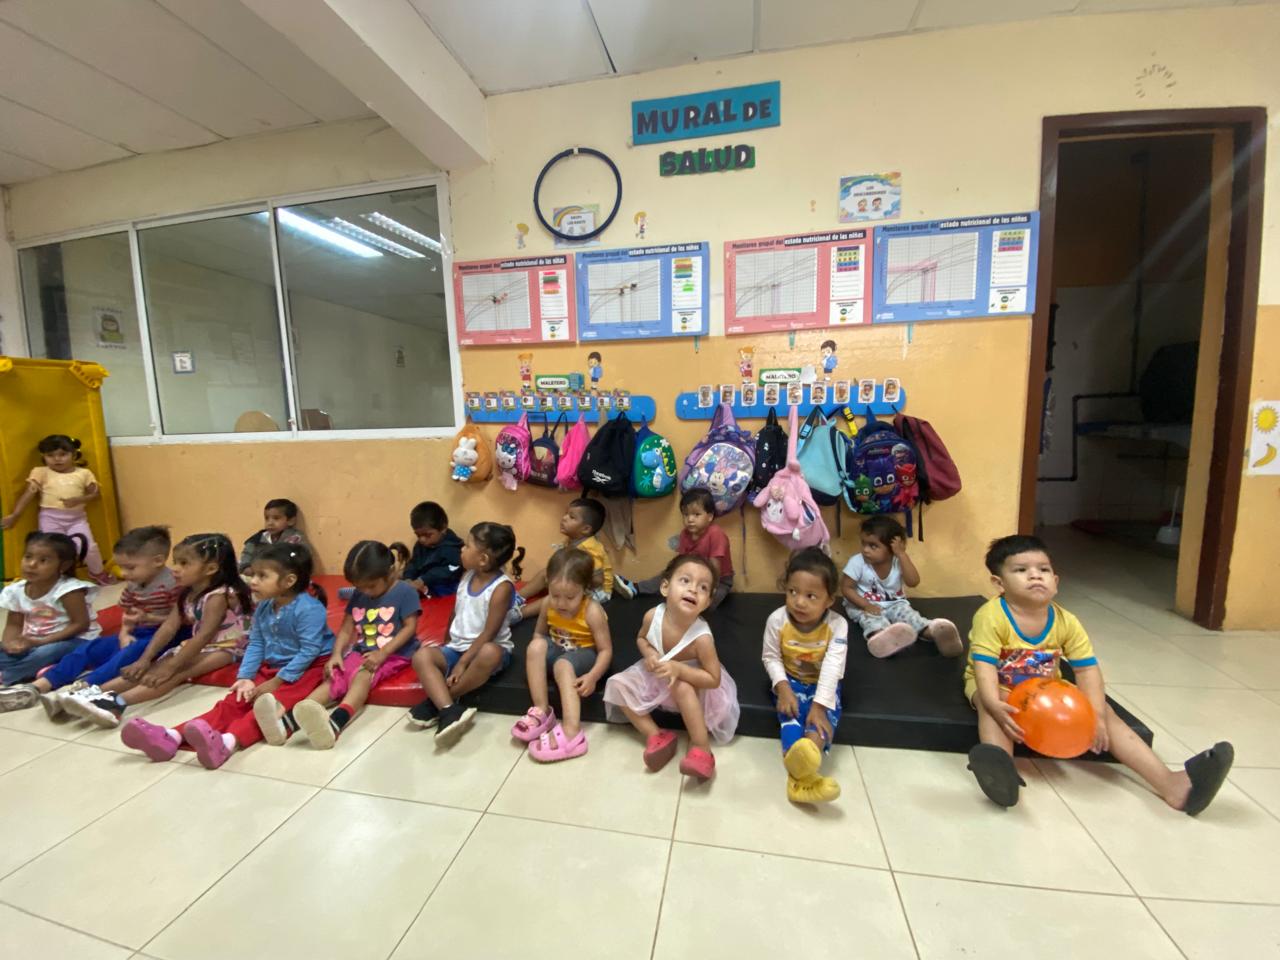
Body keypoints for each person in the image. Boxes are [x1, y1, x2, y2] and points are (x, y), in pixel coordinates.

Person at [965, 535, 1234, 814]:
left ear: (1055, 581)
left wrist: (1096, 716)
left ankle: (1172, 785)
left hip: (1048, 689)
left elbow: (1086, 668)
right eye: (1021, 570)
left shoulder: (1067, 621)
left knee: (1104, 709)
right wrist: (992, 702)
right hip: (998, 684)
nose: (1035, 575)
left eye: (1043, 569)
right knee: (994, 706)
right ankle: (1001, 771)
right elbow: (984, 666)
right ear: (999, 583)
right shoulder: (991, 616)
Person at [120, 543, 334, 768]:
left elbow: (309, 651)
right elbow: (257, 642)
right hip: (274, 666)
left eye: (262, 576)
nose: (253, 581)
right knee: (233, 702)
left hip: (307, 670)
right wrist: (246, 677)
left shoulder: (309, 609)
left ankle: (227, 742)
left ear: (289, 581)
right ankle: (172, 737)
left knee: (267, 709)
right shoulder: (265, 607)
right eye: (253, 574)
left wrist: (277, 681)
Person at [65, 533, 251, 727]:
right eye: (175, 562)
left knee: (176, 672)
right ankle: (90, 694)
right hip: (201, 643)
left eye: (184, 563)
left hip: (229, 646)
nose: (175, 569)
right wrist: (144, 659)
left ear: (211, 569)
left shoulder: (218, 596)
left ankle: (116, 703)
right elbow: (169, 626)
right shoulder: (186, 592)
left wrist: (171, 667)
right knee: (151, 667)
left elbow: (204, 635)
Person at [0, 526, 182, 716]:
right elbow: (127, 614)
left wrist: (150, 618)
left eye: (130, 568)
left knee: (125, 656)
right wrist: (124, 633)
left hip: (162, 634)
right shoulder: (134, 582)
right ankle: (38, 687)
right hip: (139, 631)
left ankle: (82, 690)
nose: (123, 573)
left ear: (158, 561)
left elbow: (180, 619)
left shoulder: (173, 585)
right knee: (88, 649)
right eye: (122, 567)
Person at [603, 555, 739, 781]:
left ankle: (701, 748)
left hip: (694, 684)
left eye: (703, 587)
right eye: (685, 581)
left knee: (682, 687)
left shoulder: (702, 638)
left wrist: (679, 670)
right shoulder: (652, 616)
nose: (693, 589)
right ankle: (656, 736)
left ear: (707, 602)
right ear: (665, 587)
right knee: (617, 684)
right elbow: (641, 639)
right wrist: (649, 654)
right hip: (659, 675)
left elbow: (713, 679)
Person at [284, 541, 420, 749]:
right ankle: (293, 718)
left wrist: (383, 653)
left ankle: (337, 722)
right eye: (359, 587)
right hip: (363, 650)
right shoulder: (360, 594)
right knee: (335, 676)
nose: (365, 591)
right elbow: (347, 628)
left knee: (363, 674)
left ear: (390, 573)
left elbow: (410, 627)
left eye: (371, 586)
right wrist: (336, 654)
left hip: (395, 653)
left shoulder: (405, 591)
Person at [405, 522, 524, 745]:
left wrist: (462, 663)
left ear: (483, 559)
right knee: (421, 656)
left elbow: (489, 633)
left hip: (483, 651)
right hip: (456, 649)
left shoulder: (501, 587)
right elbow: (455, 612)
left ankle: (440, 702)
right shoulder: (466, 576)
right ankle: (449, 710)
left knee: (490, 652)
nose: (462, 549)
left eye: (467, 546)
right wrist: (446, 645)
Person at [762, 548, 848, 804]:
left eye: (811, 596)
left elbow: (833, 666)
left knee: (820, 723)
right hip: (789, 680)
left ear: (829, 600)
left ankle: (802, 771)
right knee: (790, 717)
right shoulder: (777, 620)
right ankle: (804, 776)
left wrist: (819, 706)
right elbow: (770, 657)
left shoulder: (837, 625)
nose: (799, 602)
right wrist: (783, 688)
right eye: (793, 591)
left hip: (823, 685)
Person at [511, 548, 613, 762]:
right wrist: (537, 657)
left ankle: (572, 732)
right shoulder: (548, 603)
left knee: (563, 665)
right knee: (535, 646)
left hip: (585, 655)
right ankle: (542, 711)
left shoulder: (592, 611)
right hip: (559, 651)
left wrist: (593, 676)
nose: (561, 603)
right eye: (555, 595)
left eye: (570, 597)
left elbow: (605, 651)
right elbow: (539, 634)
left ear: (584, 589)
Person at [840, 515, 962, 658]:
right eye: (863, 543)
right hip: (864, 605)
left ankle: (933, 631)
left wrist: (902, 555)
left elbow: (913, 582)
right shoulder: (857, 562)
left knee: (910, 617)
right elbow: (846, 588)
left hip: (895, 604)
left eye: (873, 546)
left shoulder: (898, 561)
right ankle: (881, 639)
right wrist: (866, 605)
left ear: (892, 548)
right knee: (873, 621)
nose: (865, 550)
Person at [1, 434, 112, 583]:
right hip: (50, 518)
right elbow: (29, 493)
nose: (57, 459)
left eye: (63, 454)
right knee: (52, 550)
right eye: (50, 455)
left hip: (77, 520)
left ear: (73, 455)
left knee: (89, 547)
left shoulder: (83, 473)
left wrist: (79, 499)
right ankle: (55, 578)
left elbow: (95, 494)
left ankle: (98, 573)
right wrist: (15, 514)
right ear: (44, 457)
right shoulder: (41, 472)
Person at [0, 532, 100, 685]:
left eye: (43, 560)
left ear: (63, 566)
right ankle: (45, 667)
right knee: (11, 650)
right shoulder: (16, 591)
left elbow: (81, 624)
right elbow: (14, 624)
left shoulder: (68, 590)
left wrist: (42, 642)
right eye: (28, 557)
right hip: (34, 642)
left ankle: (9, 676)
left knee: (46, 653)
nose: (32, 564)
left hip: (74, 639)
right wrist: (10, 644)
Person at [615, 488, 732, 609]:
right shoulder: (685, 534)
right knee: (666, 575)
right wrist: (674, 576)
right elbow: (682, 561)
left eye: (696, 514)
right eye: (686, 515)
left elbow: (715, 566)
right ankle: (635, 587)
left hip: (719, 581)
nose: (690, 519)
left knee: (705, 602)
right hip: (693, 576)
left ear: (710, 516)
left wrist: (711, 588)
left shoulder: (716, 534)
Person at [514, 498, 611, 621]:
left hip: (597, 591)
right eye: (566, 514)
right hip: (576, 579)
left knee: (560, 594)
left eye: (571, 517)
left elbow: (598, 580)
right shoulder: (572, 540)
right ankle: (515, 599)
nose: (564, 518)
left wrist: (571, 583)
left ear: (586, 529)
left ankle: (518, 614)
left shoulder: (590, 548)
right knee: (546, 573)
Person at [401, 501, 464, 597]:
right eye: (418, 535)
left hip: (444, 588)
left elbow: (451, 570)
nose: (422, 539)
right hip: (422, 585)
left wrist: (423, 580)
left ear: (443, 528)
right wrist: (408, 578)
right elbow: (414, 563)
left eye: (428, 535)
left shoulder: (452, 548)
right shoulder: (420, 545)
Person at [239, 498, 310, 572]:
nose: (270, 523)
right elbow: (247, 553)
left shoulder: (295, 538)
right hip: (259, 574)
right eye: (267, 518)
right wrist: (245, 567)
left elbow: (303, 557)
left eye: (276, 518)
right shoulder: (258, 539)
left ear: (291, 521)